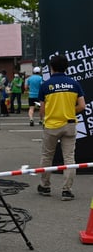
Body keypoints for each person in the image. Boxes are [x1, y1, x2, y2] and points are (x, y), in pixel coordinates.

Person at [37, 55, 85, 201]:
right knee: (69, 158)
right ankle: (67, 190)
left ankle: (45, 186)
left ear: (51, 68)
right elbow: (82, 106)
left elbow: (42, 110)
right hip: (69, 124)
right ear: (66, 67)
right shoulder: (74, 84)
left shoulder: (46, 85)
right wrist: (70, 111)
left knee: (47, 156)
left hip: (51, 125)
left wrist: (43, 119)